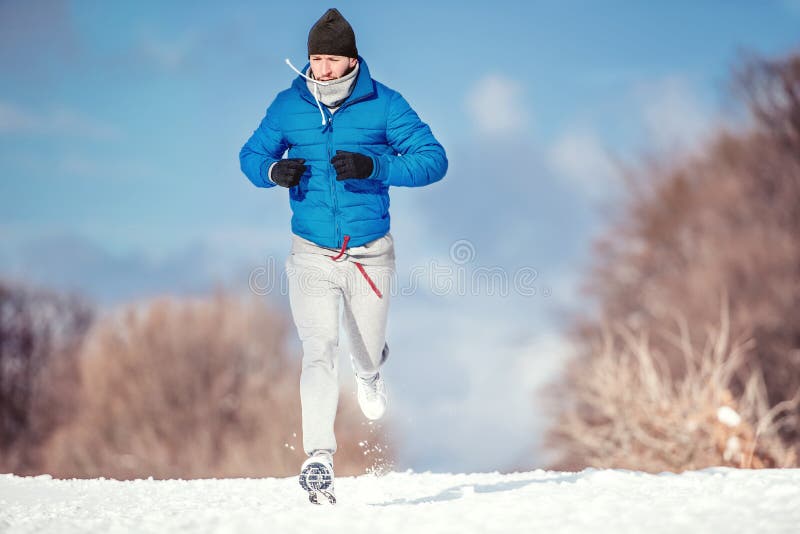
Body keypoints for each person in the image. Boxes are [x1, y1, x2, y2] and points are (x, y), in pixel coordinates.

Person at [239, 7, 447, 503]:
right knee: (318, 349)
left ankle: (371, 370)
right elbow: (250, 155)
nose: (322, 69)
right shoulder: (288, 105)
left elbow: (433, 159)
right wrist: (273, 172)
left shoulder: (384, 103)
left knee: (364, 348)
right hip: (310, 252)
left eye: (331, 59)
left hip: (370, 254)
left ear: (351, 60)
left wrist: (373, 165)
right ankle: (319, 458)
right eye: (315, 58)